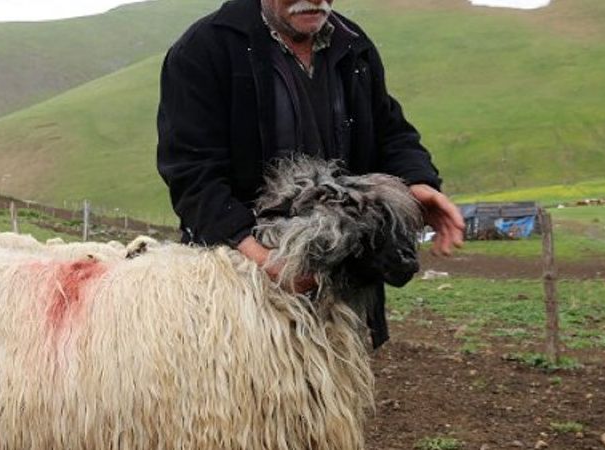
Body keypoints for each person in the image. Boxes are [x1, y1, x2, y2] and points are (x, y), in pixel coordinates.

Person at [157, 0, 465, 347]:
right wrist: (263, 259)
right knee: (240, 393)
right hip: (241, 287)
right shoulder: (205, 50)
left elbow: (390, 131)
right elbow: (192, 172)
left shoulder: (351, 43)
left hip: (342, 290)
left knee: (332, 393)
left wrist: (417, 183)